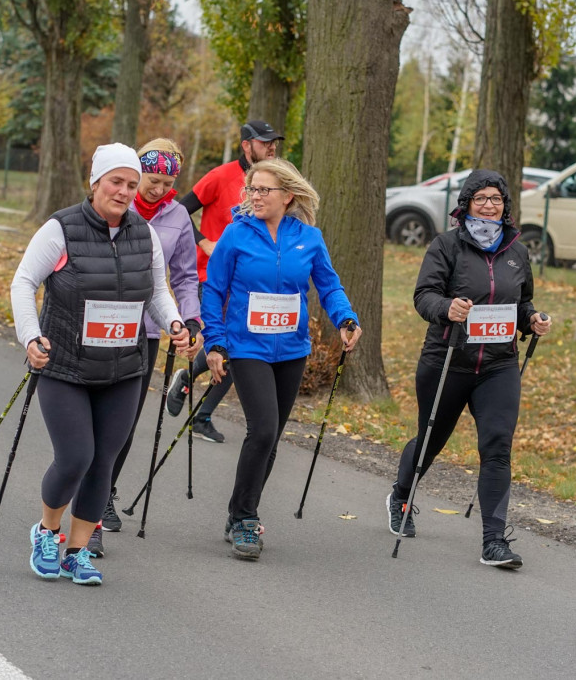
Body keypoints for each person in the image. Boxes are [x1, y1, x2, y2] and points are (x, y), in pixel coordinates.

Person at [11, 143, 191, 585]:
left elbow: (156, 288)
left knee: (103, 462)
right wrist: (30, 336)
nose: (125, 191)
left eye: (132, 184)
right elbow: (24, 283)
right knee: (75, 457)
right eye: (117, 182)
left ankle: (76, 550)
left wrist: (173, 321)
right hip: (65, 365)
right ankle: (47, 532)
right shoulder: (61, 229)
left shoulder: (143, 233)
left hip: (122, 368)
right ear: (95, 183)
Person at [385, 169, 551, 570]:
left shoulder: (516, 251)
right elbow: (424, 296)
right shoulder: (447, 245)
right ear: (467, 203)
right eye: (481, 199)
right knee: (431, 440)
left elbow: (521, 303)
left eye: (496, 199)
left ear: (505, 205)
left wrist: (533, 320)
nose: (489, 205)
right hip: (448, 361)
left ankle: (493, 541)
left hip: (499, 364)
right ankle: (401, 494)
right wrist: (448, 309)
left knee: (497, 446)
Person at [201, 158, 361, 560]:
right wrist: (215, 342)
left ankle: (239, 509)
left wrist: (345, 317)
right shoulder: (236, 236)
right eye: (251, 189)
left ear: (287, 195)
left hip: (291, 350)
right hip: (246, 346)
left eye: (263, 190)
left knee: (270, 436)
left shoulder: (309, 237)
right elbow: (213, 291)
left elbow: (328, 285)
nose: (255, 196)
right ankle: (246, 519)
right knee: (264, 428)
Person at [94, 138, 203, 547]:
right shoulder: (117, 205)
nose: (158, 189)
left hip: (147, 332)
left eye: (167, 182)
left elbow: (185, 276)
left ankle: (104, 492)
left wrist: (191, 318)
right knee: (94, 417)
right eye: (152, 180)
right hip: (100, 326)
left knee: (123, 422)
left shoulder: (177, 218)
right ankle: (87, 484)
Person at [165, 120, 285, 444]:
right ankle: (197, 401)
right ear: (247, 145)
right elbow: (179, 211)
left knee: (239, 351)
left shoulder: (274, 183)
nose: (271, 147)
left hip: (250, 283)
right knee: (231, 347)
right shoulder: (220, 176)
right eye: (265, 142)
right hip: (213, 276)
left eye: (274, 142)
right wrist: (203, 242)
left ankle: (200, 410)